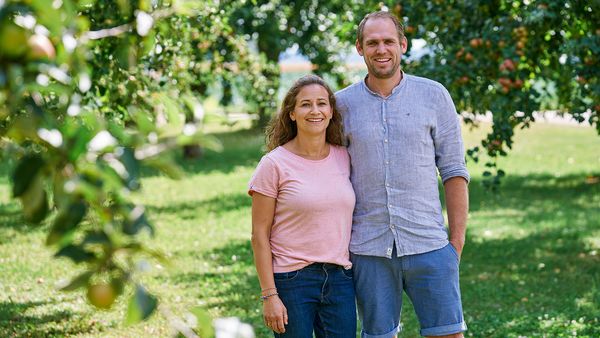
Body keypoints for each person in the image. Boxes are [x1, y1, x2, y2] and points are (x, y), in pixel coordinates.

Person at [335, 11, 470, 338]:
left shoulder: (434, 95)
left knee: (448, 334)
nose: (381, 49)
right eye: (372, 43)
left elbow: (453, 171)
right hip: (369, 249)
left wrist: (456, 244)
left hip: (430, 244)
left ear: (402, 45)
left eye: (388, 41)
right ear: (359, 48)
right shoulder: (340, 105)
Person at [248, 74, 357, 337]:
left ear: (331, 111)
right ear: (292, 114)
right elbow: (259, 235)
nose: (315, 110)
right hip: (291, 281)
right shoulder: (274, 164)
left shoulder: (344, 157)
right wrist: (269, 295)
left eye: (322, 103)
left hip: (340, 279)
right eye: (306, 104)